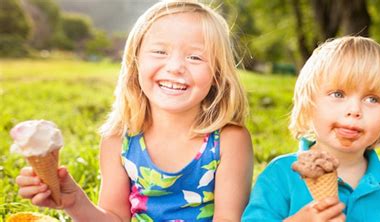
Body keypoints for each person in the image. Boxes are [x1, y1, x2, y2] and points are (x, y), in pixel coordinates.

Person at [15, 1, 253, 221]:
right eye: (160, 51)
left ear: (217, 75)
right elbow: (114, 217)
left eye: (195, 57)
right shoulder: (118, 141)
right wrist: (74, 200)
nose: (175, 67)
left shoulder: (229, 142)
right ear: (135, 61)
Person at [242, 36, 380, 221]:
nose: (354, 110)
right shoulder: (281, 174)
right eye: (338, 94)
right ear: (309, 103)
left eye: (372, 99)